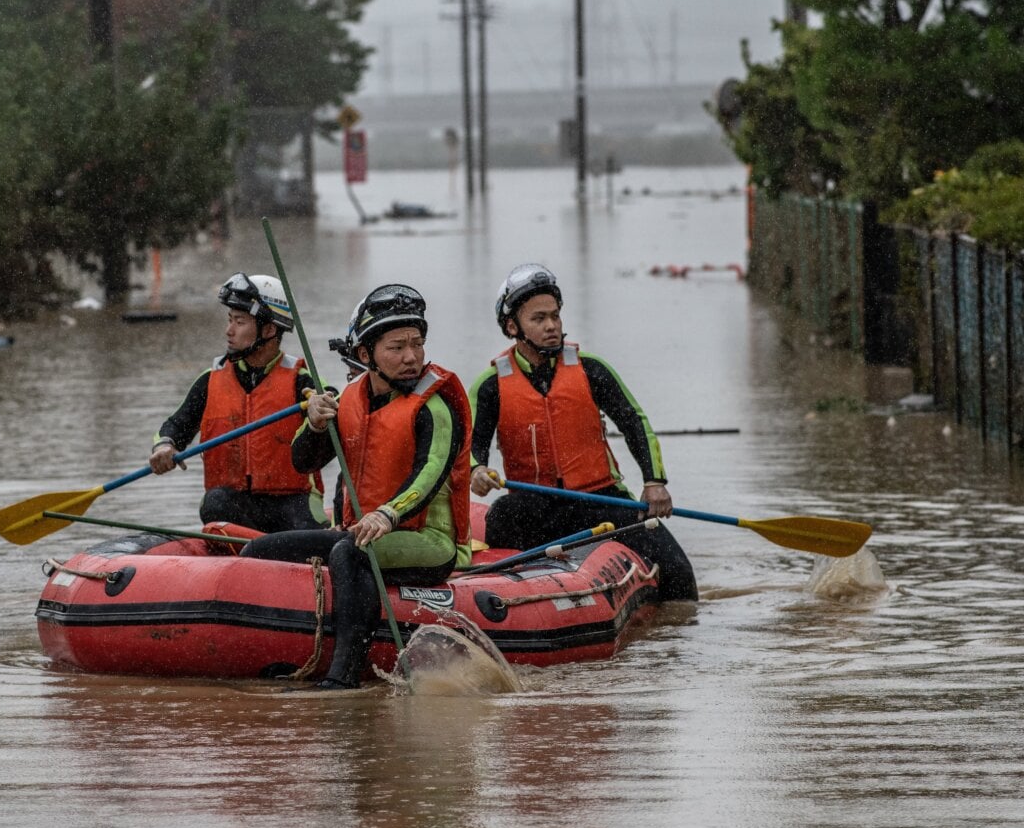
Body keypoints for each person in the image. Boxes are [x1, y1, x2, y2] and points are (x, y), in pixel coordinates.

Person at [241, 284, 472, 689]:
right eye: (396, 347)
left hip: (427, 540)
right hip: (362, 533)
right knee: (261, 550)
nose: (411, 357)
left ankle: (344, 678)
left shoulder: (433, 407)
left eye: (417, 344)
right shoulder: (347, 399)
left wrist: (388, 513)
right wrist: (313, 424)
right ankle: (268, 652)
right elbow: (303, 461)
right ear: (365, 355)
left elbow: (432, 473)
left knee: (350, 551)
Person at [468, 263, 698, 601]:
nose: (551, 326)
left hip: (599, 499)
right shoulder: (490, 385)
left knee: (678, 572)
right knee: (503, 514)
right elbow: (471, 448)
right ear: (512, 326)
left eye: (555, 316)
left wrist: (654, 483)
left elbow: (634, 422)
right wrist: (476, 471)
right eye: (539, 319)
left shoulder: (591, 368)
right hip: (534, 507)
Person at [149, 273, 322, 533]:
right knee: (215, 501)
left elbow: (335, 403)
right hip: (237, 505)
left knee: (303, 528)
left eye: (239, 322)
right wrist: (165, 446)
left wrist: (322, 408)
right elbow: (176, 425)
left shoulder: (302, 380)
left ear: (269, 329)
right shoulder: (211, 380)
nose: (229, 331)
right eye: (230, 320)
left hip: (293, 502)